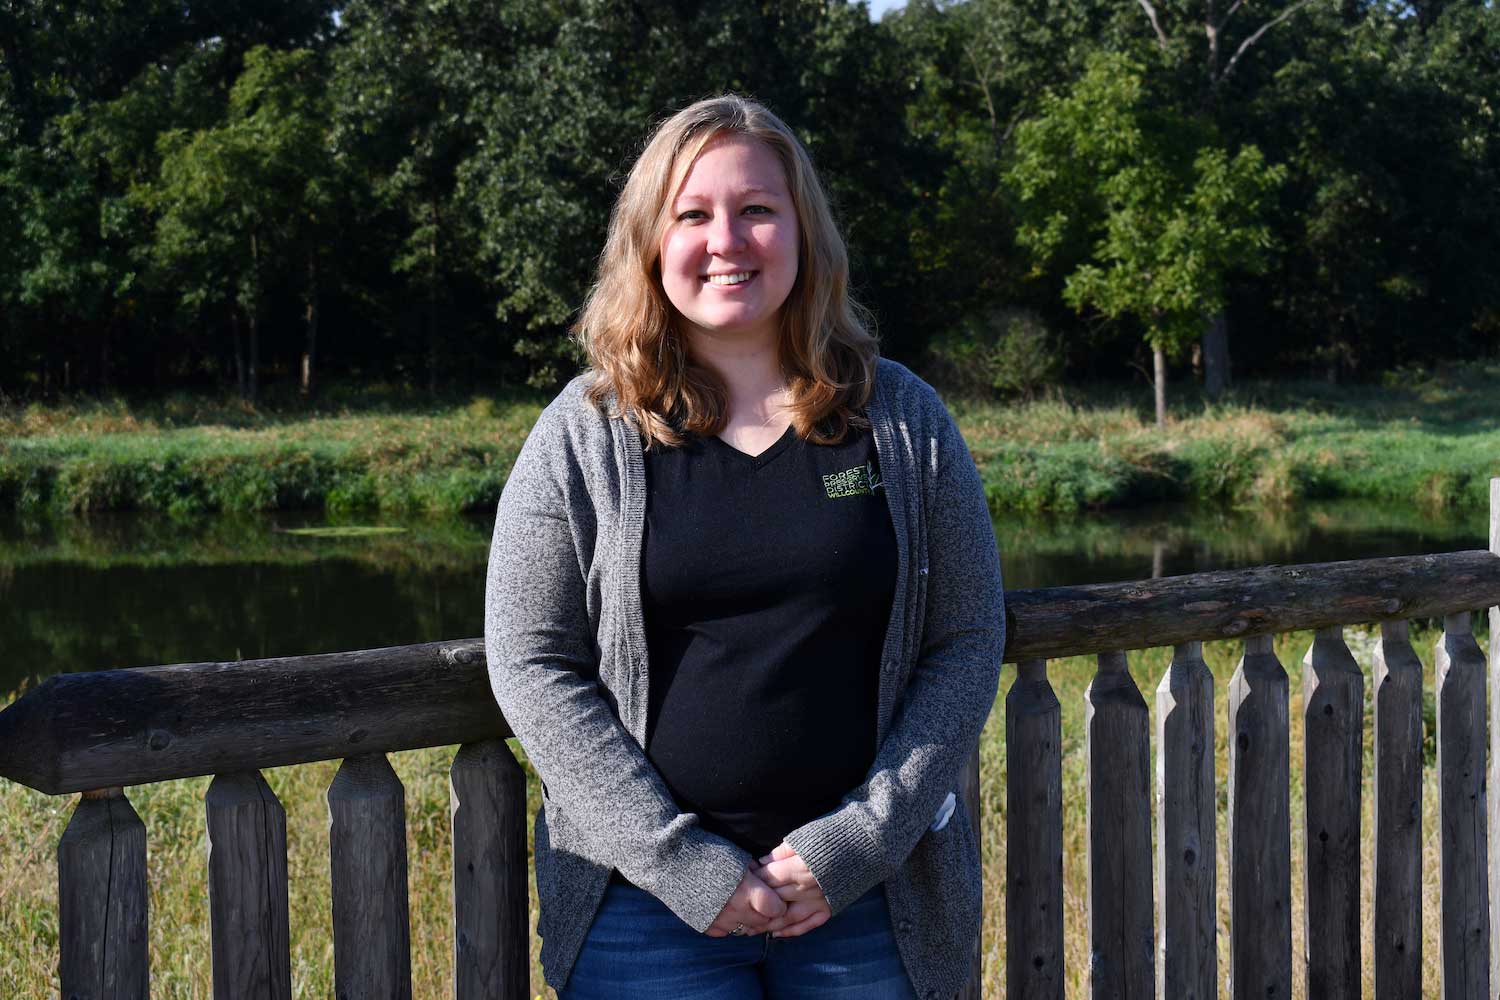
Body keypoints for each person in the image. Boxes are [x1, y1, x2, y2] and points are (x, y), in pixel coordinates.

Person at [484, 94, 1005, 1000]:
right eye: (693, 214)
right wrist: (683, 865)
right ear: (651, 240)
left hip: (872, 906)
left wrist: (857, 845)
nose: (727, 239)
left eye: (758, 209)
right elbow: (530, 660)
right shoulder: (583, 431)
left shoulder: (904, 419)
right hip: (644, 909)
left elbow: (965, 638)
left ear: (804, 233)